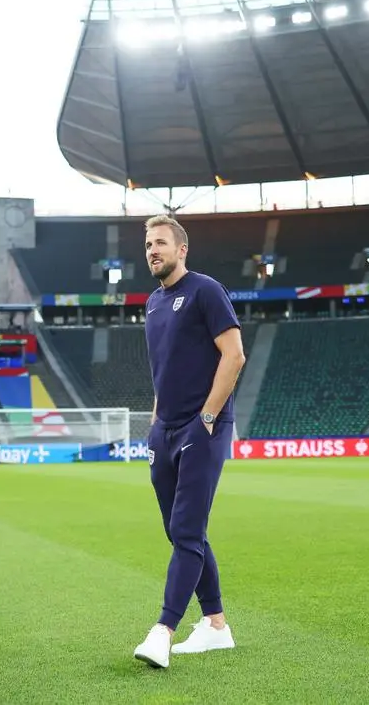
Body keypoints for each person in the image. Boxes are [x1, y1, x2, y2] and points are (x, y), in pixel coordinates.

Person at [133, 214, 246, 669]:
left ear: (182, 249)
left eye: (160, 243)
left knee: (184, 531)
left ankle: (163, 630)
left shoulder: (205, 290)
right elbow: (164, 369)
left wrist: (207, 418)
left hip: (204, 427)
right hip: (165, 430)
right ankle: (216, 625)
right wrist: (158, 422)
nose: (152, 251)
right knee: (182, 531)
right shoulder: (152, 304)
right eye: (147, 245)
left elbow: (234, 354)